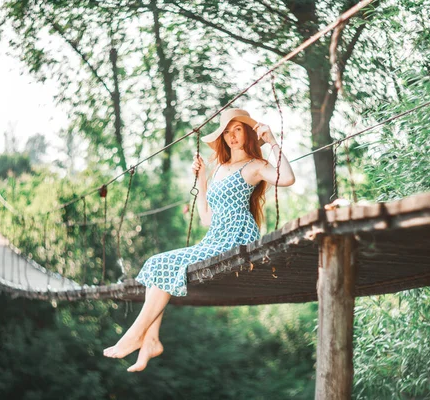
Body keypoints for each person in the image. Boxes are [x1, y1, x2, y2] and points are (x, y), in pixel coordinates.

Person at [103, 108, 296, 372]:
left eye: (237, 129)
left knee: (166, 264)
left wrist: (273, 141)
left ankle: (137, 333)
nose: (231, 136)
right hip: (214, 237)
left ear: (248, 133)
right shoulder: (220, 168)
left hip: (236, 237)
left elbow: (287, 178)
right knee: (157, 263)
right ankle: (151, 340)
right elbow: (206, 218)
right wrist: (202, 178)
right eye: (227, 131)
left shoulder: (254, 166)